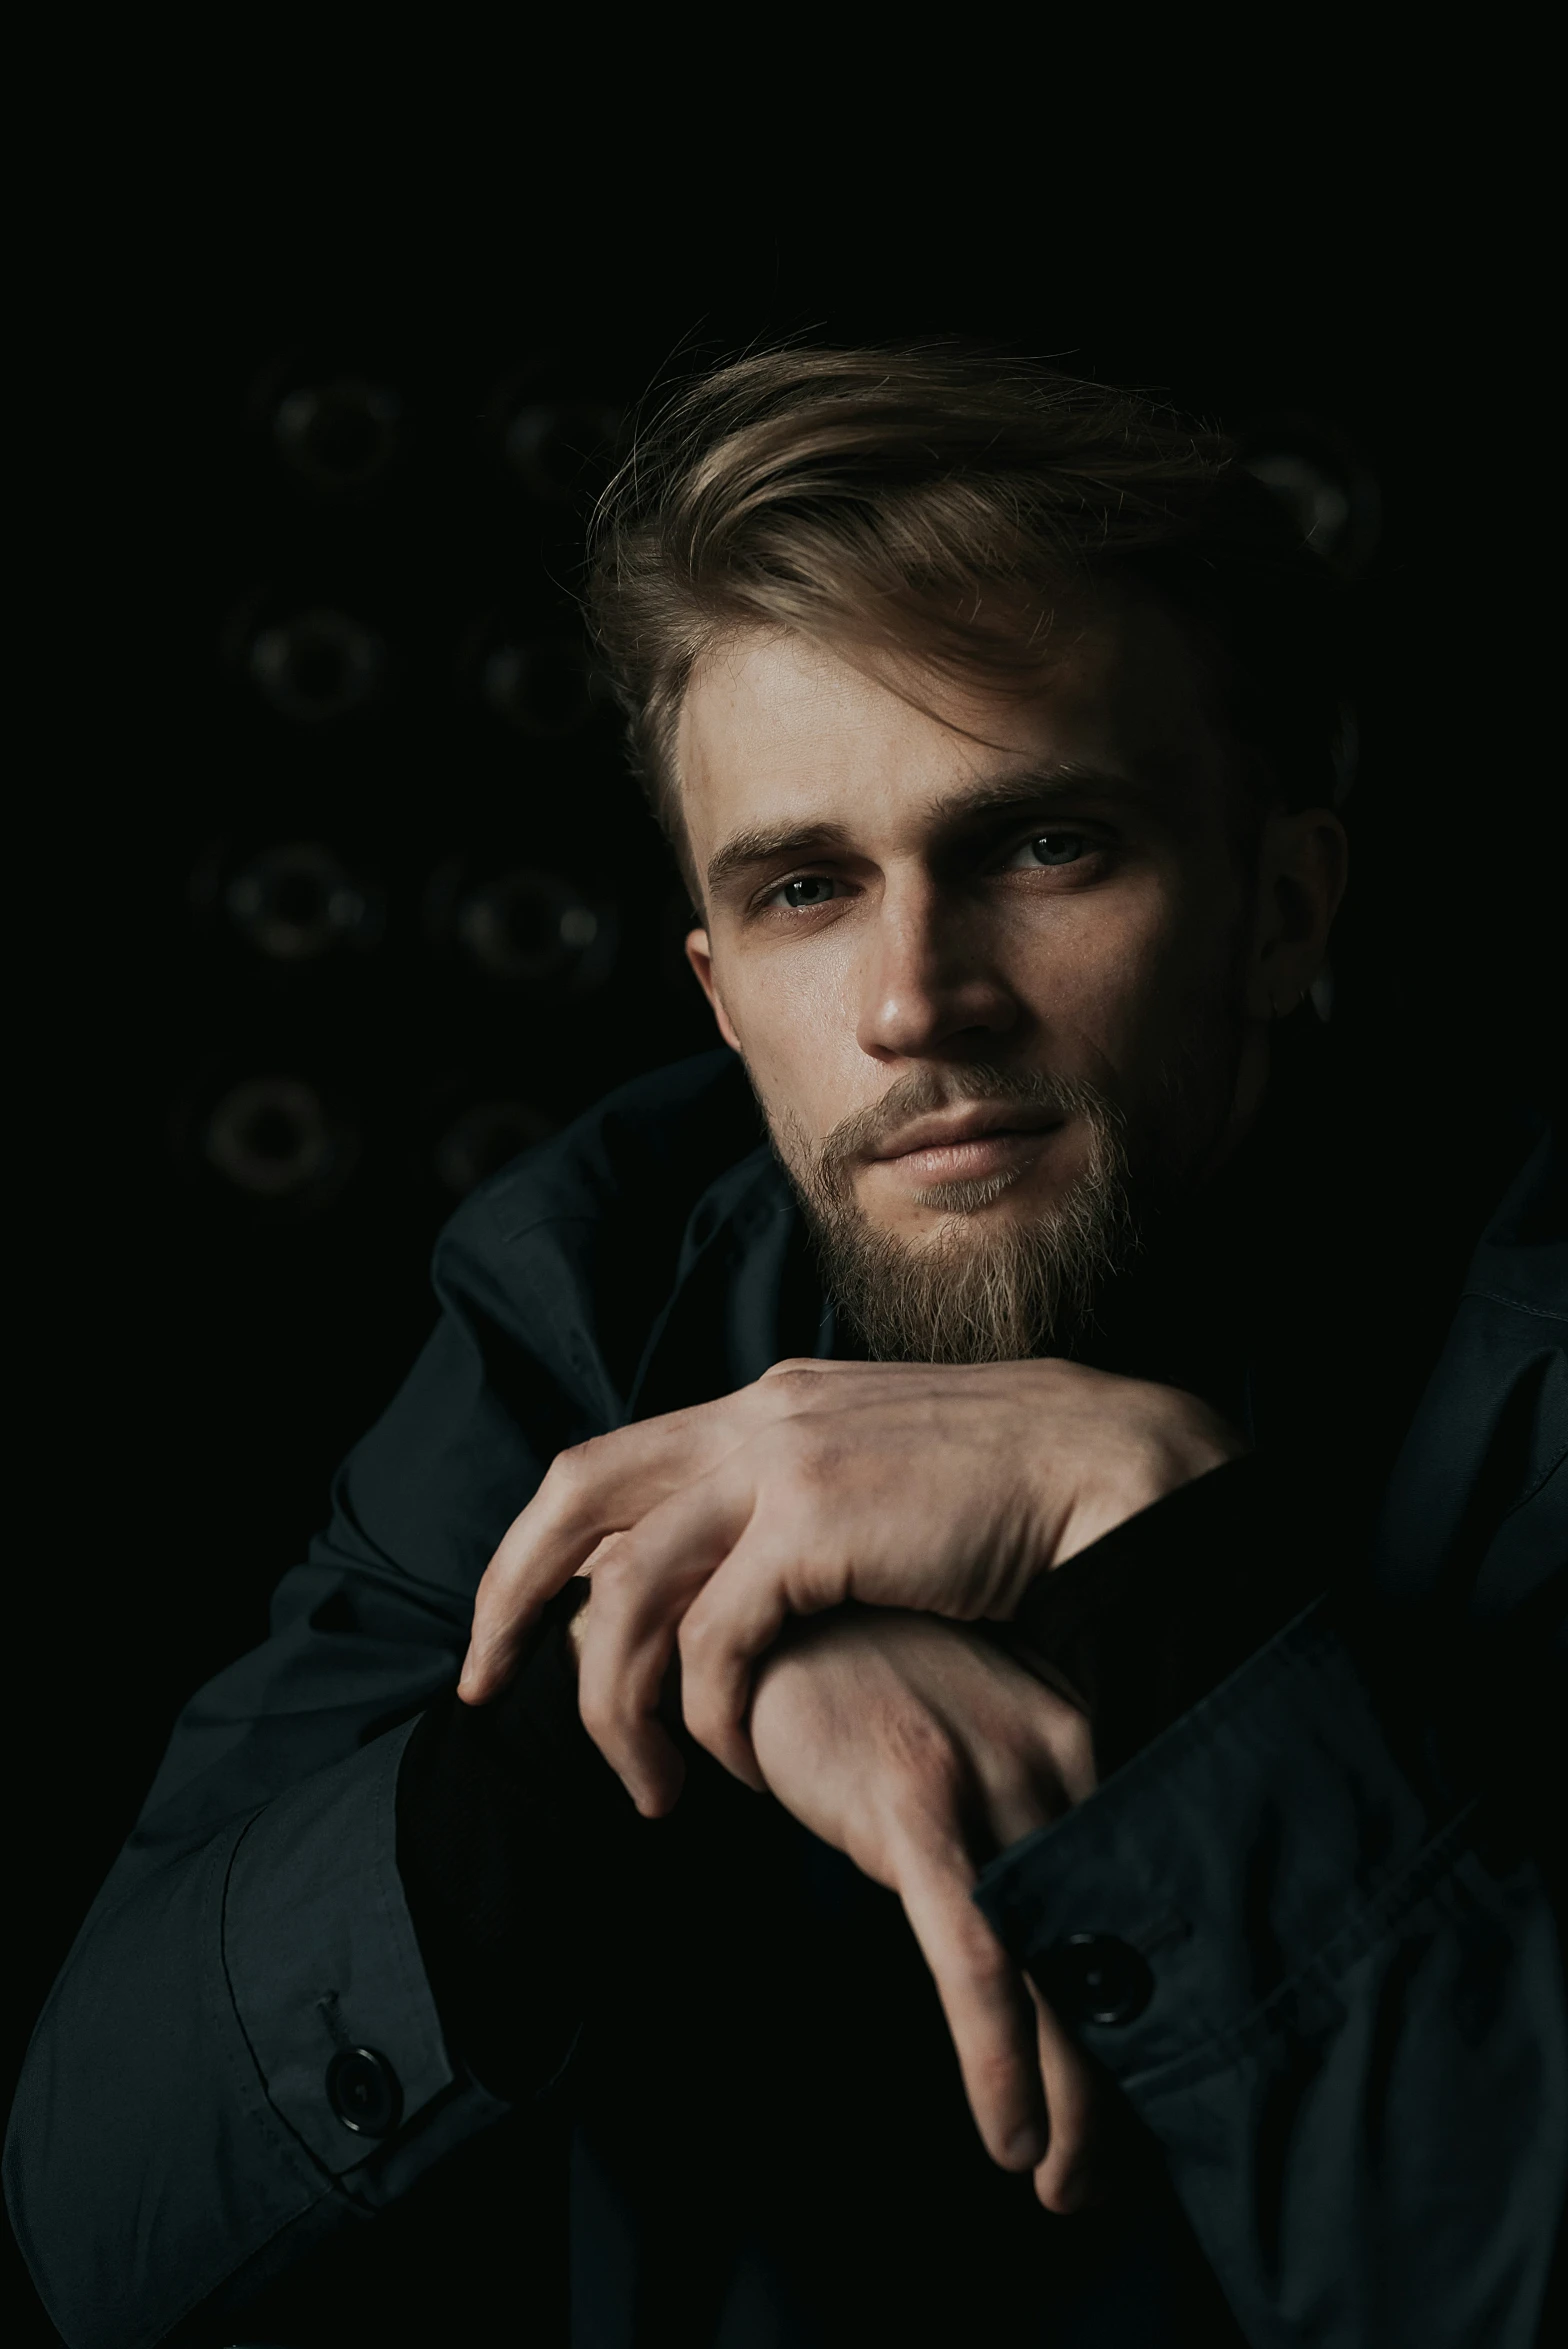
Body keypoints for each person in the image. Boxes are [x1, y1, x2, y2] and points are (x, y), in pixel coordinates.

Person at [6, 348, 1563, 2349]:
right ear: (720, 988)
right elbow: (87, 2214)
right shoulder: (589, 1298)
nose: (916, 996)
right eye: (808, 889)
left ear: (1279, 910)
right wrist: (621, 1701)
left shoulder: (1529, 1376)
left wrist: (1163, 1558)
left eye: (1041, 847)